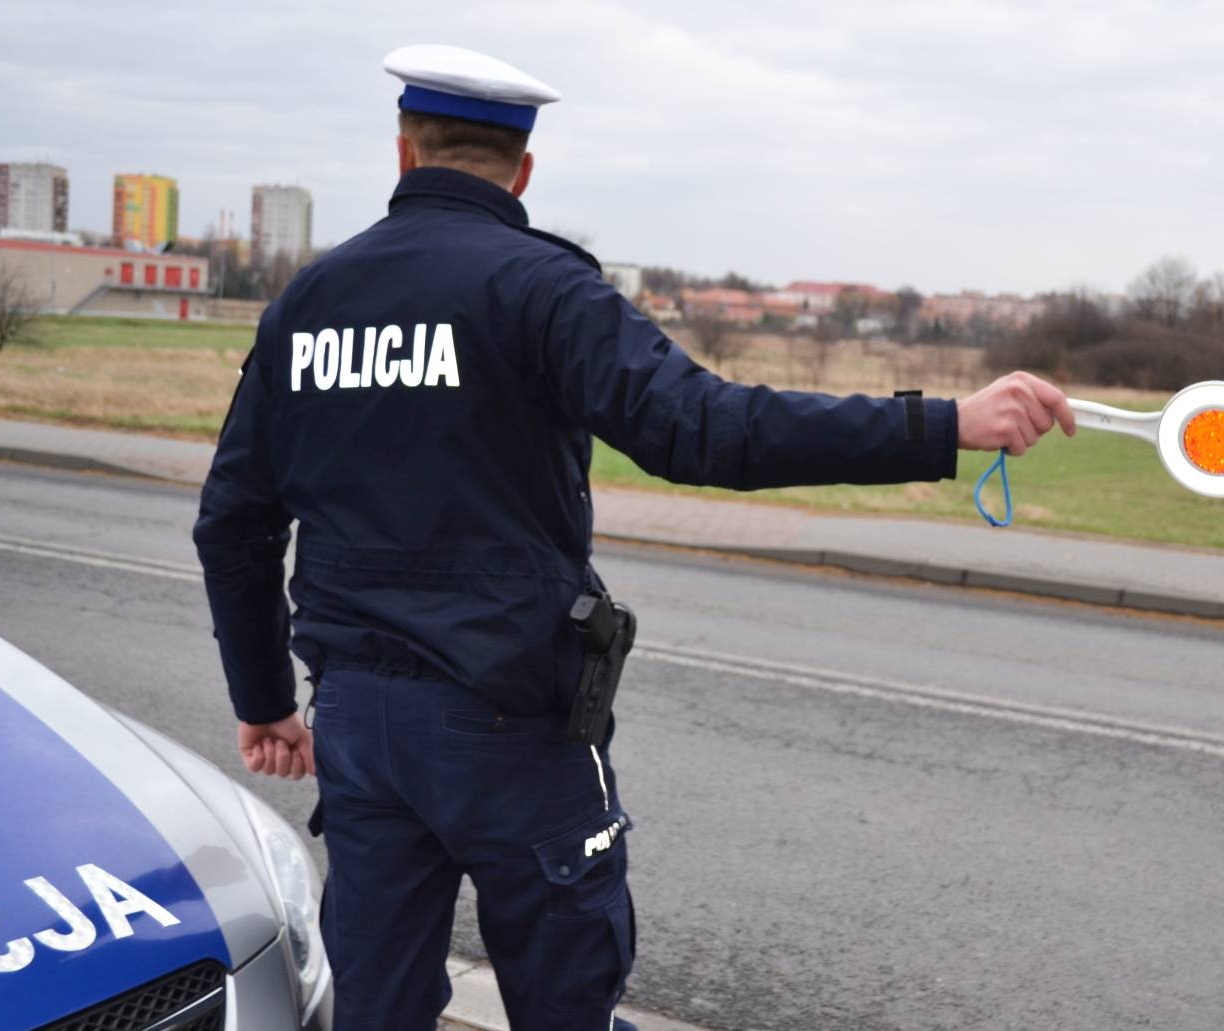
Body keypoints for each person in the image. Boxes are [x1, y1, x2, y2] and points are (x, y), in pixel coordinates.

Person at [194, 43, 1076, 1031]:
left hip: (358, 728)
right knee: (568, 1003)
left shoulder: (308, 303)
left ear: (404, 153)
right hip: (509, 725)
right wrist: (945, 423)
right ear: (523, 170)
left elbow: (232, 521)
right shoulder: (541, 287)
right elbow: (705, 427)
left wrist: (267, 701)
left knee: (375, 1009)